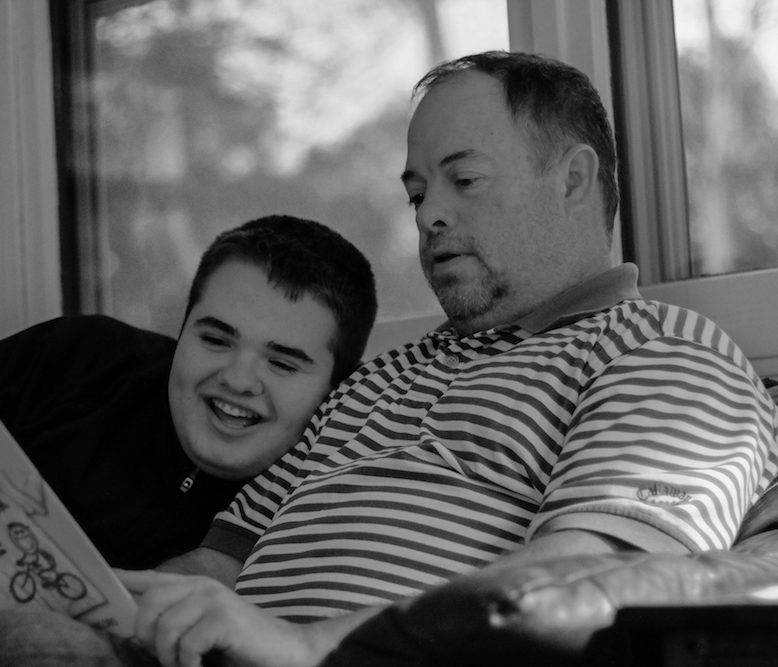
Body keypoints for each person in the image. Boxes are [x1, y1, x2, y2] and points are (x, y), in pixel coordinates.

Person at [108, 50, 778, 667]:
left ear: (573, 179)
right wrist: (124, 604)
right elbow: (220, 561)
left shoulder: (664, 353)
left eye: (464, 179)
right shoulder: (379, 375)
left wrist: (304, 644)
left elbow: (579, 586)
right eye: (418, 191)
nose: (428, 215)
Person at [0, 214, 378, 651]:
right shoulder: (79, 361)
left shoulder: (319, 511)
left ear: (336, 387)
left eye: (283, 362)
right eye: (214, 338)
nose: (237, 379)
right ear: (183, 328)